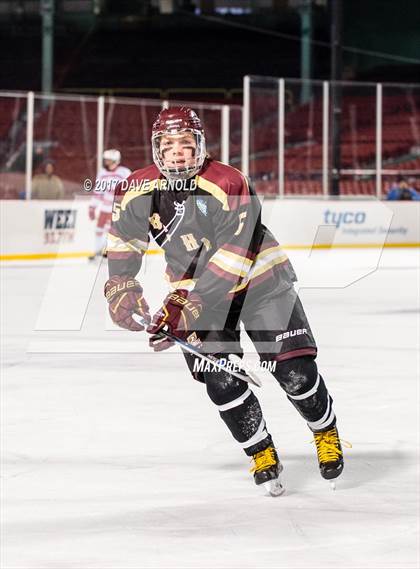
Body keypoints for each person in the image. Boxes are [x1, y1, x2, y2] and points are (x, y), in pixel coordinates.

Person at [104, 107, 344, 494]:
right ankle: (261, 452)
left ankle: (325, 430)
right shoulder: (138, 188)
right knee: (221, 380)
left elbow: (236, 254)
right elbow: (124, 239)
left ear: (201, 146)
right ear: (155, 149)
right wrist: (120, 286)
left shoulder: (229, 182)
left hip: (261, 283)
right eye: (168, 145)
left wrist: (190, 303)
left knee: (295, 373)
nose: (177, 153)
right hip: (197, 295)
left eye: (186, 144)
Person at [88, 149, 131, 257]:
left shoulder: (124, 172)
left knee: (113, 229)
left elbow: (130, 189)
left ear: (115, 160)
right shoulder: (102, 173)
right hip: (105, 206)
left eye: (108, 160)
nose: (106, 162)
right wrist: (92, 207)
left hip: (117, 206)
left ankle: (111, 249)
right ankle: (99, 249)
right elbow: (98, 191)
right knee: (99, 227)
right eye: (105, 160)